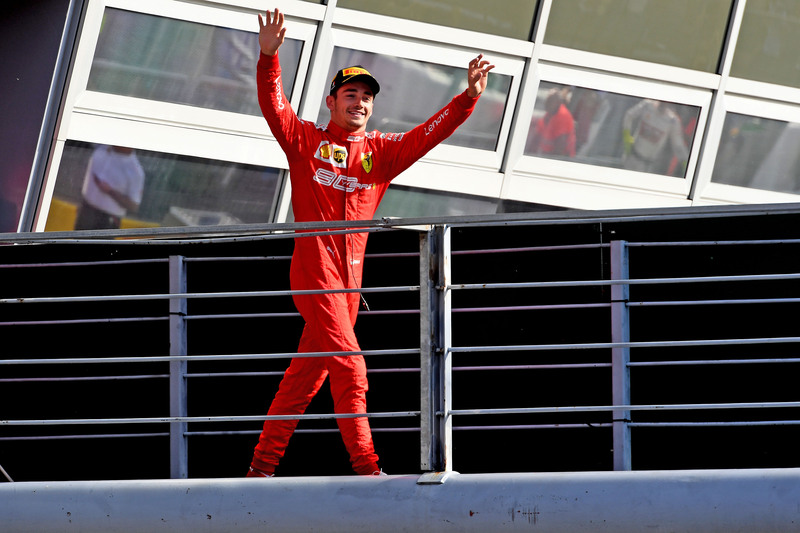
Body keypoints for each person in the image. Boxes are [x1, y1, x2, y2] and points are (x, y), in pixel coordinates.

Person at [247, 8, 494, 477]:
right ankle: (369, 470)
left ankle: (259, 471)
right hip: (314, 279)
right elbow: (274, 106)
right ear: (331, 101)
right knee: (353, 369)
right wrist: (269, 58)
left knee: (302, 382)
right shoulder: (305, 142)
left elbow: (428, 135)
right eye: (350, 94)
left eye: (366, 97)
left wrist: (467, 99)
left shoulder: (380, 154)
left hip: (348, 291)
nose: (359, 102)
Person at [73, 145, 145, 230]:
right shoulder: (101, 148)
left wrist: (110, 191)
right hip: (86, 210)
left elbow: (133, 206)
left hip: (107, 220)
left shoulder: (136, 172)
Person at [621, 99, 688, 175]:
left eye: (666, 101)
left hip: (647, 166)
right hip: (632, 157)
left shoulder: (672, 121)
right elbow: (629, 115)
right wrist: (626, 136)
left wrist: (685, 162)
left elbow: (678, 145)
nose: (663, 103)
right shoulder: (647, 105)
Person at [529, 88, 576, 157]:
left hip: (560, 158)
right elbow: (537, 137)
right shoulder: (549, 114)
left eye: (551, 101)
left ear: (558, 103)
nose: (547, 103)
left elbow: (559, 148)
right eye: (547, 101)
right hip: (545, 154)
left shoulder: (563, 116)